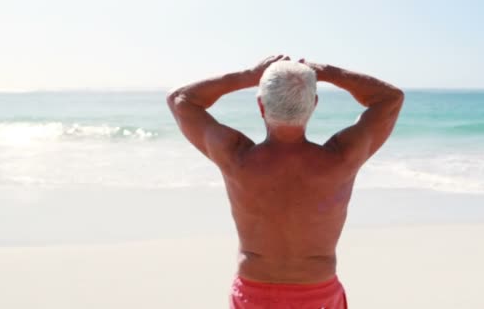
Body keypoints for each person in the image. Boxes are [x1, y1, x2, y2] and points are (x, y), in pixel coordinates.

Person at [167, 55, 404, 308]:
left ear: (261, 106)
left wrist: (247, 75)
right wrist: (328, 72)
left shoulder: (236, 157)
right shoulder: (341, 159)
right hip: (319, 294)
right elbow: (390, 98)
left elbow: (181, 100)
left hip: (254, 293)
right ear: (313, 104)